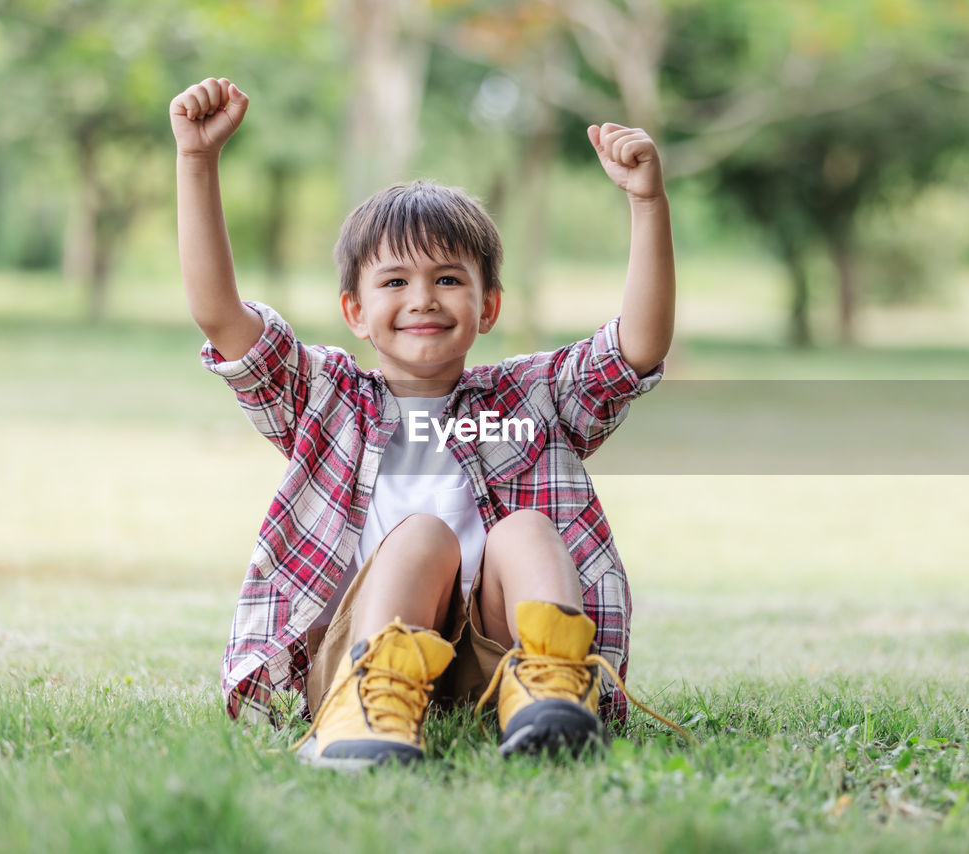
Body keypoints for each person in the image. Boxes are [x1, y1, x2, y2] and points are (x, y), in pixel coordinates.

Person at [170, 76, 677, 770]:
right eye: (395, 281)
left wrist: (646, 203)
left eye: (447, 279)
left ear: (487, 307)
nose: (422, 300)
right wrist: (196, 162)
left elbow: (637, 348)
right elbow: (222, 317)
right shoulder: (325, 398)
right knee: (423, 539)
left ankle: (553, 697)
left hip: (495, 662)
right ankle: (367, 715)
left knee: (527, 528)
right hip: (361, 659)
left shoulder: (531, 400)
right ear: (354, 311)